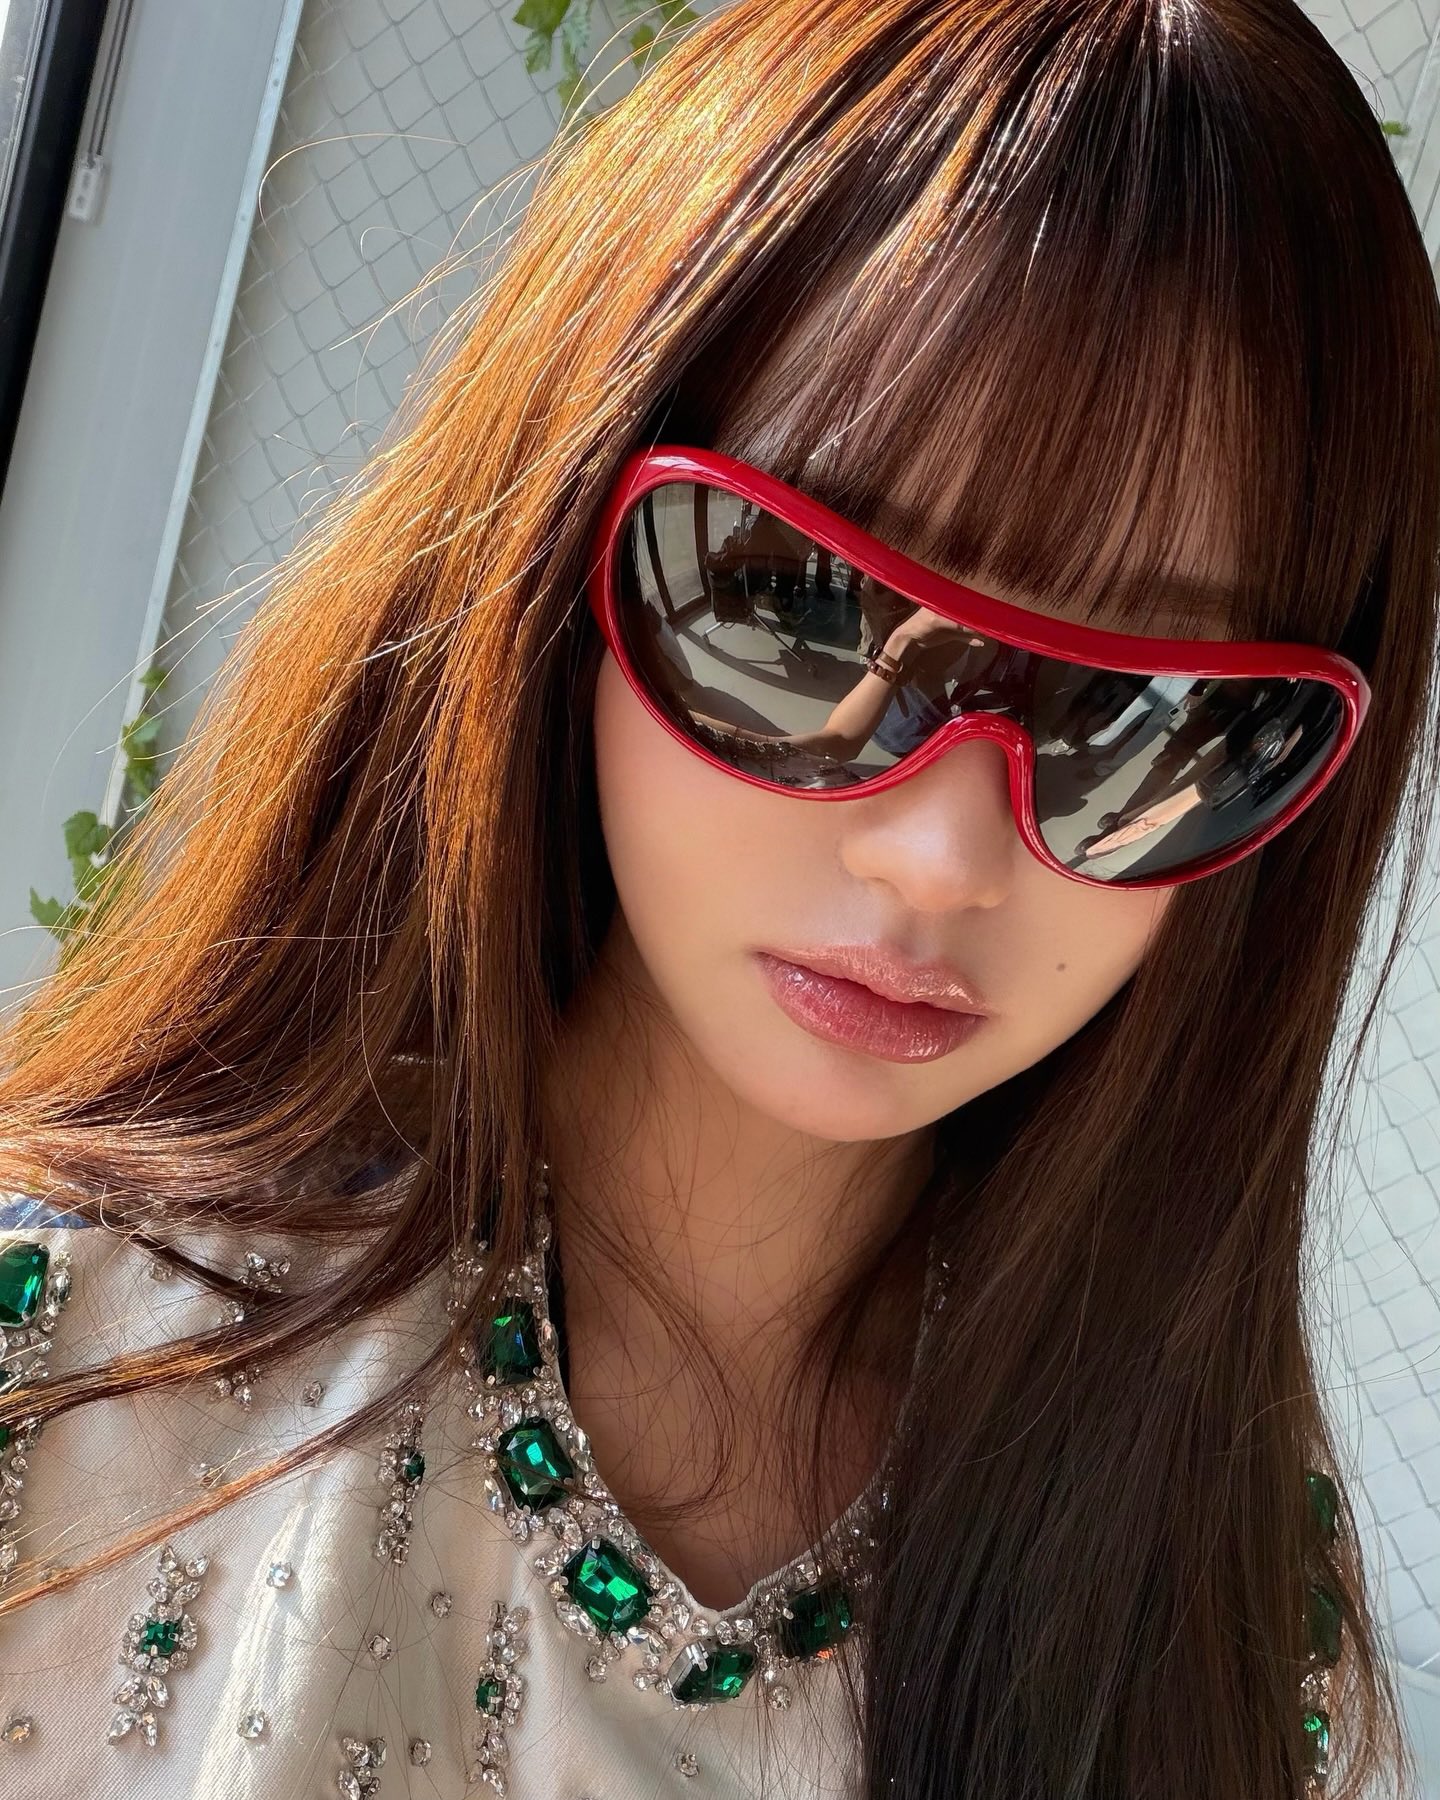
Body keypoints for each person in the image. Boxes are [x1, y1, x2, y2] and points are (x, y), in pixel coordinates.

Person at [0, 1, 1435, 1796]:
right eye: (802, 608)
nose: (940, 856)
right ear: (565, 540)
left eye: (1140, 716)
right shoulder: (66, 1365)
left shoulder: (1217, 1621)